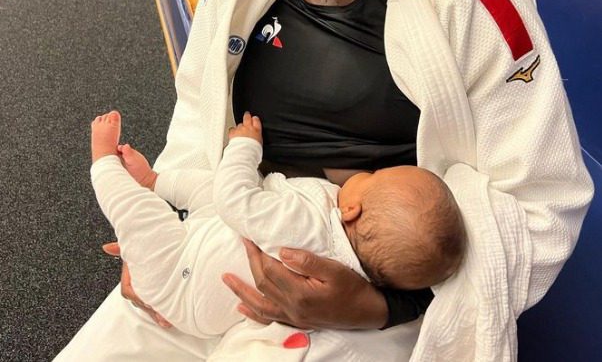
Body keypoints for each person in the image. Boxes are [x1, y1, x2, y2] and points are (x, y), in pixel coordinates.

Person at [55, 0, 593, 360]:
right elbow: (196, 121)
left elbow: (543, 207)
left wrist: (383, 306)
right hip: (212, 250)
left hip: (364, 301)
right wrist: (160, 232)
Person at [88, 109, 466, 346]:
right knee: (209, 193)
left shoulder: (310, 227)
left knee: (141, 217)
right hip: (205, 262)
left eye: (374, 177)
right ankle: (154, 182)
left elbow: (234, 200)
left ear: (352, 210)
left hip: (178, 278)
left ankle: (104, 163)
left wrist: (244, 148)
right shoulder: (359, 265)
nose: (368, 172)